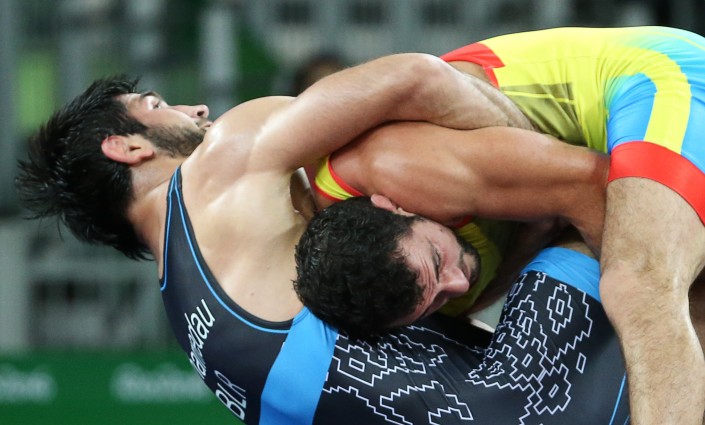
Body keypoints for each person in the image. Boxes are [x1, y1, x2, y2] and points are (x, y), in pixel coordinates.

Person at [16, 55, 626, 423]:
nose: (196, 108)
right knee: (602, 194)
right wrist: (540, 150)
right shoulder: (216, 167)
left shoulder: (186, 317)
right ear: (126, 146)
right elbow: (413, 77)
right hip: (547, 399)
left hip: (512, 391)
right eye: (157, 104)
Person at [298, 26, 705, 424]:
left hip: (658, 77)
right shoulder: (416, 288)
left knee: (639, 286)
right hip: (612, 147)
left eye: (438, 260)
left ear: (394, 208)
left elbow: (593, 187)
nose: (458, 284)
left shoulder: (409, 170)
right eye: (436, 301)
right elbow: (551, 218)